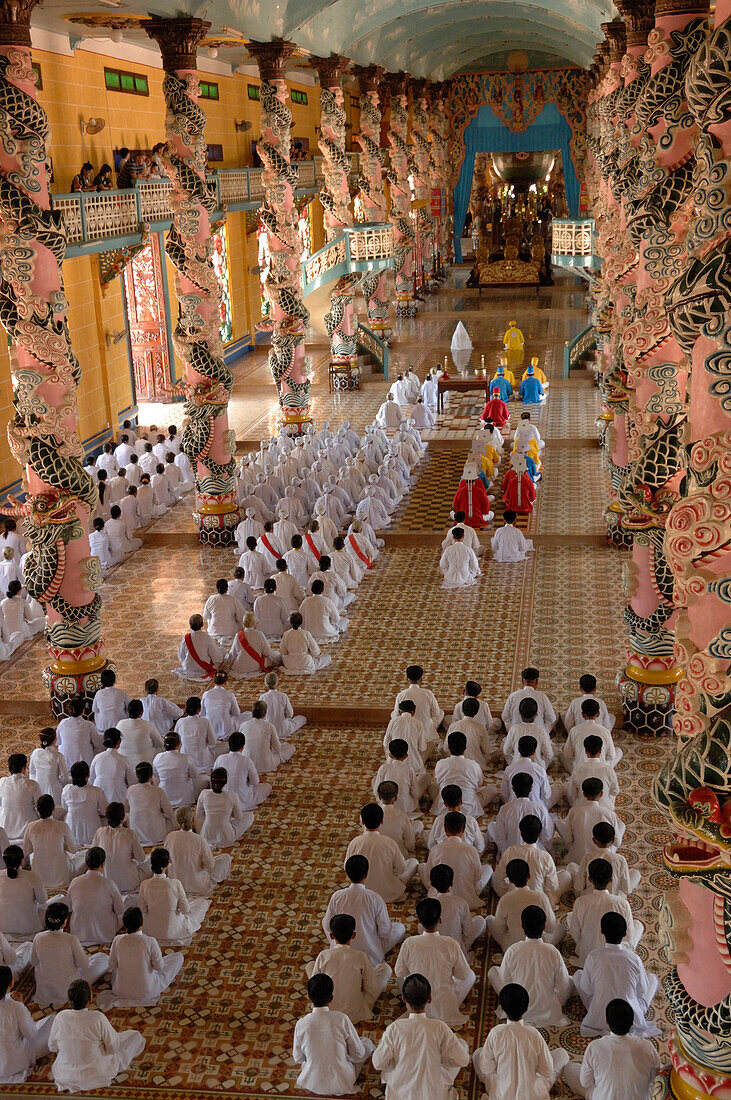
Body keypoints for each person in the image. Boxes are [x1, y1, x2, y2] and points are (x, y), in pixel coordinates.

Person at [372, 972, 470, 1099]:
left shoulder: (395, 1028)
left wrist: (397, 1063)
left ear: (404, 999)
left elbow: (378, 1063)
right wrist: (438, 1059)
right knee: (462, 1046)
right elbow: (463, 1060)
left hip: (401, 1094)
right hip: (433, 1094)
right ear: (429, 999)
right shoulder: (440, 1027)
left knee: (389, 1063)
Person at [474, 982, 568, 1100]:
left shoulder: (496, 1033)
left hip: (502, 1095)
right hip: (533, 1095)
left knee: (478, 1054)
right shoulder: (534, 1034)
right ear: (527, 1008)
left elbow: (486, 1068)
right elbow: (547, 1071)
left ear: (502, 1008)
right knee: (561, 1054)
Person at [49, 978, 146, 1092]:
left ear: (68, 999)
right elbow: (113, 1048)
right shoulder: (97, 1017)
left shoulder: (61, 1017)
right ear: (90, 998)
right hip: (96, 1075)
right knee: (135, 1037)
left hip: (65, 1074)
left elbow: (52, 1047)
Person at [573, 912, 660, 1038]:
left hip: (598, 1017)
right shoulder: (634, 958)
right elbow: (642, 990)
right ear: (625, 934)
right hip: (630, 1018)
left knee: (578, 974)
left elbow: (586, 988)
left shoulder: (593, 956)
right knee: (652, 979)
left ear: (602, 932)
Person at [395, 898, 475, 1027]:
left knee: (402, 980)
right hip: (445, 1008)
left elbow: (400, 972)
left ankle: (416, 1010)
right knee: (471, 975)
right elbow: (462, 975)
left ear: (419, 921)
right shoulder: (450, 943)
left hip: (417, 1001)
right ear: (440, 920)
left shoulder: (409, 943)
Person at [292, 973, 374, 1096]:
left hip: (312, 1082)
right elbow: (358, 1054)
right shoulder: (341, 1019)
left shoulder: (301, 1024)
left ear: (309, 997)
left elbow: (298, 1058)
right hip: (342, 1082)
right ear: (331, 998)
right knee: (366, 1043)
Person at [488, 905, 572, 1026]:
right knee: (570, 980)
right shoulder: (552, 951)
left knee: (493, 972)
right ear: (543, 927)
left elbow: (504, 983)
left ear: (522, 925)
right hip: (548, 1009)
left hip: (517, 1007)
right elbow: (563, 985)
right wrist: (554, 1001)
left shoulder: (513, 950)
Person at [564, 998, 661, 1099]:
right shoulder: (647, 1047)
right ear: (632, 1023)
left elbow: (585, 1083)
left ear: (606, 1021)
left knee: (569, 1068)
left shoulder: (595, 1047)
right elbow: (657, 1079)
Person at [322, 855, 405, 966]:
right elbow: (385, 932)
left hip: (341, 950)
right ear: (366, 874)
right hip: (371, 958)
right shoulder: (375, 898)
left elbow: (327, 925)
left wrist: (335, 941)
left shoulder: (337, 896)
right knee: (399, 928)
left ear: (347, 874)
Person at [307, 913, 390, 1024]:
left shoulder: (324, 955)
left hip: (327, 1011)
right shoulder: (360, 956)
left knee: (310, 966)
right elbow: (372, 988)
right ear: (353, 935)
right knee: (385, 968)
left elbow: (315, 985)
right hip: (356, 1014)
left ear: (331, 936)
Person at [101, 906, 184, 1009]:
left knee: (116, 971)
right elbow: (159, 968)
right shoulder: (150, 941)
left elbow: (111, 965)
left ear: (124, 924)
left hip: (121, 990)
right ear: (142, 922)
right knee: (178, 957)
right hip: (147, 990)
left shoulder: (117, 940)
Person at [31, 901, 108, 1006]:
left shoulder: (38, 937)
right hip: (69, 990)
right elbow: (84, 965)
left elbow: (33, 962)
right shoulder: (70, 939)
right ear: (64, 922)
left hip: (44, 991)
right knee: (102, 958)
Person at [568, 858, 642, 965]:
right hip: (618, 955)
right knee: (638, 925)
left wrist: (586, 943)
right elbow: (628, 937)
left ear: (589, 879)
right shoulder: (622, 903)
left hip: (588, 955)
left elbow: (575, 932)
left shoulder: (580, 902)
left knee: (571, 917)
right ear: (611, 879)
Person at [345, 803, 418, 904]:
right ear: (382, 821)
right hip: (389, 892)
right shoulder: (389, 842)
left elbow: (347, 867)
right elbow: (401, 869)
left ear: (362, 822)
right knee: (413, 862)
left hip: (363, 891)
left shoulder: (355, 842)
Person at [486, 857, 562, 951]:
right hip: (539, 946)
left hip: (512, 948)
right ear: (529, 876)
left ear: (510, 880)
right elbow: (550, 928)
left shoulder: (505, 900)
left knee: (489, 919)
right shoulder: (541, 897)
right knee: (561, 928)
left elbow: (499, 930)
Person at [420, 812, 491, 910]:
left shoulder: (436, 849)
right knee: (488, 869)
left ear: (445, 829)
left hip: (438, 894)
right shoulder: (471, 850)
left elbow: (429, 876)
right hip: (467, 897)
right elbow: (478, 876)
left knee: (421, 866)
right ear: (463, 829)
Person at [138, 847, 209, 945]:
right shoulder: (175, 883)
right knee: (202, 903)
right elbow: (185, 910)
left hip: (151, 930)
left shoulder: (144, 884)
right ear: (168, 864)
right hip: (174, 929)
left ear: (151, 862)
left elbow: (142, 910)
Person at [0, 964, 53, 1082]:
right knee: (52, 1021)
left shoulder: (13, 1005)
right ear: (11, 983)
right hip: (14, 1063)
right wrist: (22, 1005)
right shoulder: (16, 1007)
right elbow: (31, 1034)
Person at [165, 806, 231, 896]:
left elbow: (166, 861)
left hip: (175, 885)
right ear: (192, 820)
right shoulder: (199, 840)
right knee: (225, 858)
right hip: (198, 886)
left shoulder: (170, 837)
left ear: (177, 821)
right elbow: (210, 866)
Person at [558, 778, 625, 865]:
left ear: (584, 794)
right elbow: (617, 842)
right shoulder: (609, 814)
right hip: (604, 859)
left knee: (560, 823)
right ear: (601, 794)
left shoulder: (574, 811)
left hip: (578, 859)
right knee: (621, 825)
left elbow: (568, 839)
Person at [487, 773, 554, 857]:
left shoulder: (504, 809)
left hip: (511, 854)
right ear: (531, 789)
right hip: (535, 852)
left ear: (513, 789)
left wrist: (506, 853)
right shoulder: (540, 809)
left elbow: (500, 839)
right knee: (551, 823)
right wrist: (548, 852)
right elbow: (547, 837)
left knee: (492, 826)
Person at [67, 848, 124, 945]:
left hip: (78, 933)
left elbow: (68, 907)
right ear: (103, 864)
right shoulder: (109, 884)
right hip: (105, 935)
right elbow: (120, 910)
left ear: (86, 863)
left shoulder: (75, 881)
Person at [91, 802, 149, 899]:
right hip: (129, 883)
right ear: (122, 818)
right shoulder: (130, 833)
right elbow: (141, 858)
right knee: (148, 863)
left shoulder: (100, 832)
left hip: (106, 882)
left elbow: (93, 854)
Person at [23, 795, 79, 890]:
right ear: (53, 808)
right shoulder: (62, 826)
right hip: (61, 876)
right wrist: (62, 846)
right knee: (82, 855)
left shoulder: (31, 826)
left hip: (40, 876)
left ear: (37, 809)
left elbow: (26, 851)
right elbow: (74, 850)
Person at [570, 822, 641, 897]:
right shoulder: (620, 859)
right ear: (613, 841)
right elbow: (626, 889)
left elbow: (579, 886)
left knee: (571, 866)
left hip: (588, 897)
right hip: (613, 898)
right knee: (635, 873)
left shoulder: (587, 857)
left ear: (594, 840)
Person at [194, 767, 253, 847]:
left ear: (211, 781)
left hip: (206, 836)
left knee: (204, 819)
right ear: (225, 782)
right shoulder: (232, 796)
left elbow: (198, 816)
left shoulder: (204, 794)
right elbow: (239, 817)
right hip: (226, 838)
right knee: (250, 816)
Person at [61, 762, 107, 847]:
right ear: (88, 774)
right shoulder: (97, 791)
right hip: (92, 828)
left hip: (72, 826)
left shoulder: (66, 789)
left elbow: (65, 808)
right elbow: (105, 811)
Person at [225, 611, 280, 679]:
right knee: (270, 659)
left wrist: (229, 664)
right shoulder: (259, 634)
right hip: (255, 667)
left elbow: (233, 654)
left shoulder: (238, 635)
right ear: (254, 623)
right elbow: (267, 652)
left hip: (240, 666)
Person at [0, 752, 41, 842]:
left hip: (5, 830)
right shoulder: (32, 784)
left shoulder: (2, 782)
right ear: (24, 768)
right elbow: (40, 807)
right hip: (27, 831)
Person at [89, 728, 136, 806]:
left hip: (98, 798)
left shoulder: (97, 757)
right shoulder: (123, 759)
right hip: (118, 798)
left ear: (104, 740)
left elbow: (91, 780)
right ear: (119, 741)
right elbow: (132, 782)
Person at [501, 667, 556, 732]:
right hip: (538, 732)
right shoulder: (542, 696)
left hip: (517, 732)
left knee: (507, 721)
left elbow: (505, 717)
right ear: (536, 681)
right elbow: (551, 719)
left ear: (522, 681)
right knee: (555, 715)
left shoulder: (513, 696)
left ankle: (512, 734)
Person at [173, 614, 223, 680]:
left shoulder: (185, 638)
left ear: (190, 626)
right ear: (202, 625)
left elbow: (181, 656)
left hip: (188, 668)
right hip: (203, 669)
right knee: (222, 651)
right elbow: (216, 657)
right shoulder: (207, 637)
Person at [117, 699, 165, 767]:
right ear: (142, 712)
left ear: (128, 711)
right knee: (161, 746)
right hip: (143, 763)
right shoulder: (147, 725)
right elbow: (160, 743)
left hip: (124, 762)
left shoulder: (120, 723)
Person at [174, 697, 216, 774]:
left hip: (185, 761)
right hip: (203, 762)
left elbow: (176, 741)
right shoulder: (205, 721)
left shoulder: (180, 722)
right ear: (199, 709)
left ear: (186, 708)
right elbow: (213, 742)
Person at [258, 671, 306, 738]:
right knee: (302, 718)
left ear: (265, 683)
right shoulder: (283, 696)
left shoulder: (262, 697)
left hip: (268, 731)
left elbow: (260, 716)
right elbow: (290, 714)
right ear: (277, 683)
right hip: (284, 729)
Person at [29, 727, 70, 804]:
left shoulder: (35, 753)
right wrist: (62, 785)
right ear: (54, 741)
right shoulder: (58, 756)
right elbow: (65, 777)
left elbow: (32, 773)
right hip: (54, 790)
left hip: (38, 788)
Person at [451, 458, 492, 529]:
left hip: (462, 520)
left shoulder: (460, 491)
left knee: (452, 513)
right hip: (478, 518)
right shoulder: (480, 491)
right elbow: (486, 507)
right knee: (491, 514)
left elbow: (455, 507)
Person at [204, 579, 246, 646]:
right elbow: (241, 616)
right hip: (230, 631)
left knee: (210, 618)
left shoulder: (211, 599)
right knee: (241, 619)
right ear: (227, 589)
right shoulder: (232, 599)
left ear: (217, 588)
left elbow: (206, 616)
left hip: (214, 631)